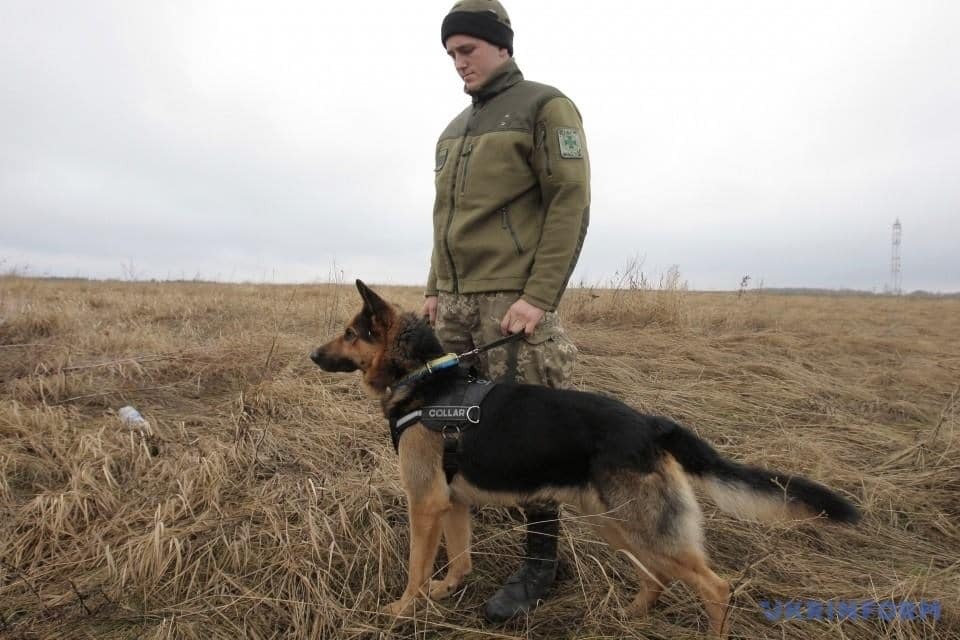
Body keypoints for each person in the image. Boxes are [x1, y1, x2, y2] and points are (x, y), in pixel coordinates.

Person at [421, 0, 591, 623]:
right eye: (450, 54)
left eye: (467, 50)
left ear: (501, 45)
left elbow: (569, 202)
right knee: (456, 424)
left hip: (512, 302)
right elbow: (444, 220)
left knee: (529, 436)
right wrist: (436, 284)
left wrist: (538, 297)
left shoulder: (547, 107)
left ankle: (543, 563)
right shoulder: (452, 131)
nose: (457, 64)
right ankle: (460, 553)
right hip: (457, 306)